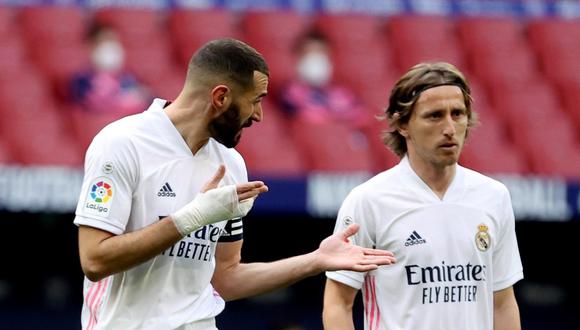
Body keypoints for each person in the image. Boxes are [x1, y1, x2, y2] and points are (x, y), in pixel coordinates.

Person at [74, 38, 396, 330]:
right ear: (221, 97)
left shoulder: (231, 164)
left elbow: (226, 279)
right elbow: (94, 260)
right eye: (255, 101)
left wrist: (315, 260)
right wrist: (192, 217)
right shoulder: (122, 144)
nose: (258, 115)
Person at [323, 62, 523, 330]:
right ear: (402, 123)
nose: (450, 127)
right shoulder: (369, 200)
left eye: (458, 114)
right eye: (435, 115)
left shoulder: (494, 196)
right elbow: (338, 302)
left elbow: (502, 302)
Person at [280, 28, 370, 130]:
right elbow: (298, 117)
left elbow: (361, 116)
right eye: (309, 53)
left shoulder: (342, 93)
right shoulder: (290, 93)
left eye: (320, 52)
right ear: (298, 58)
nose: (315, 58)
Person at [70, 22, 150, 115]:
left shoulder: (129, 77)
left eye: (114, 41)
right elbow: (95, 106)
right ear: (91, 46)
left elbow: (150, 101)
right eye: (104, 41)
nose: (111, 47)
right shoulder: (81, 80)